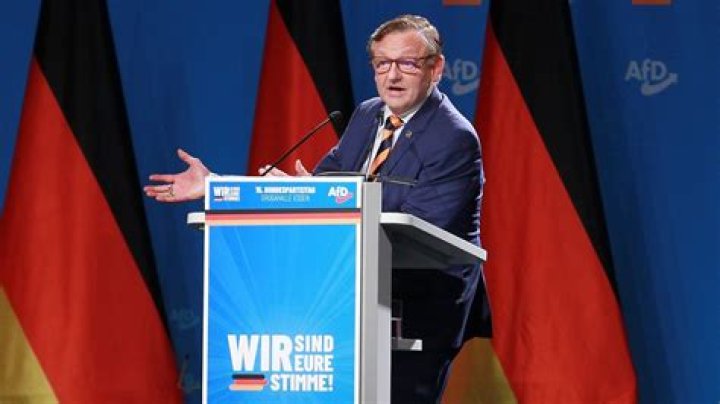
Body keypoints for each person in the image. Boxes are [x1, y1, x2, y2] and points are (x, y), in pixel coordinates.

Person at [145, 14, 488, 403]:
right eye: (382, 64)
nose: (392, 75)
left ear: (436, 68)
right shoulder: (368, 115)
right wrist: (219, 184)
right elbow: (327, 188)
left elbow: (424, 231)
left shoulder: (454, 138)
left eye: (406, 63)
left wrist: (332, 204)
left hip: (420, 303)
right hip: (348, 297)